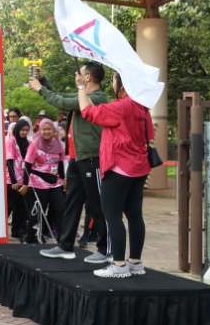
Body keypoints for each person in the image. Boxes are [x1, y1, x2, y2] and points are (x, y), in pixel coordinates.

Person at [30, 63, 110, 263]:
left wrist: (40, 88)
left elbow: (65, 103)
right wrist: (44, 81)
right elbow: (64, 100)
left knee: (97, 204)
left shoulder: (97, 98)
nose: (76, 75)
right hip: (77, 157)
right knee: (72, 204)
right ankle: (65, 245)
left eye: (80, 73)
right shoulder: (82, 96)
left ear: (88, 78)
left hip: (92, 158)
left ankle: (106, 249)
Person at [79, 70, 154, 278]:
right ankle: (135, 262)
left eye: (113, 80)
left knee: (112, 214)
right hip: (139, 167)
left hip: (119, 166)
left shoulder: (121, 106)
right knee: (135, 215)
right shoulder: (142, 107)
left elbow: (87, 113)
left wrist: (80, 87)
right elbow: (151, 132)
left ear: (122, 84)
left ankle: (119, 265)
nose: (111, 84)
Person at [21, 119, 69, 244]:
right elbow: (27, 166)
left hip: (54, 182)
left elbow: (59, 164)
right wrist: (25, 185)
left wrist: (63, 179)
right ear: (40, 130)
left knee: (61, 208)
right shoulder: (34, 145)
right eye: (44, 129)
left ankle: (62, 240)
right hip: (38, 183)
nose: (47, 131)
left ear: (53, 130)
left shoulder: (58, 144)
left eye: (49, 129)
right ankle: (32, 238)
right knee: (37, 212)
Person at [5, 118, 31, 239]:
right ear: (17, 129)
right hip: (12, 181)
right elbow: (9, 162)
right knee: (8, 207)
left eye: (27, 130)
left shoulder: (28, 143)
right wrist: (14, 181)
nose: (24, 132)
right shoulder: (11, 142)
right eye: (22, 130)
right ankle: (0, 230)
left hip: (24, 182)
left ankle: (17, 231)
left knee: (21, 208)